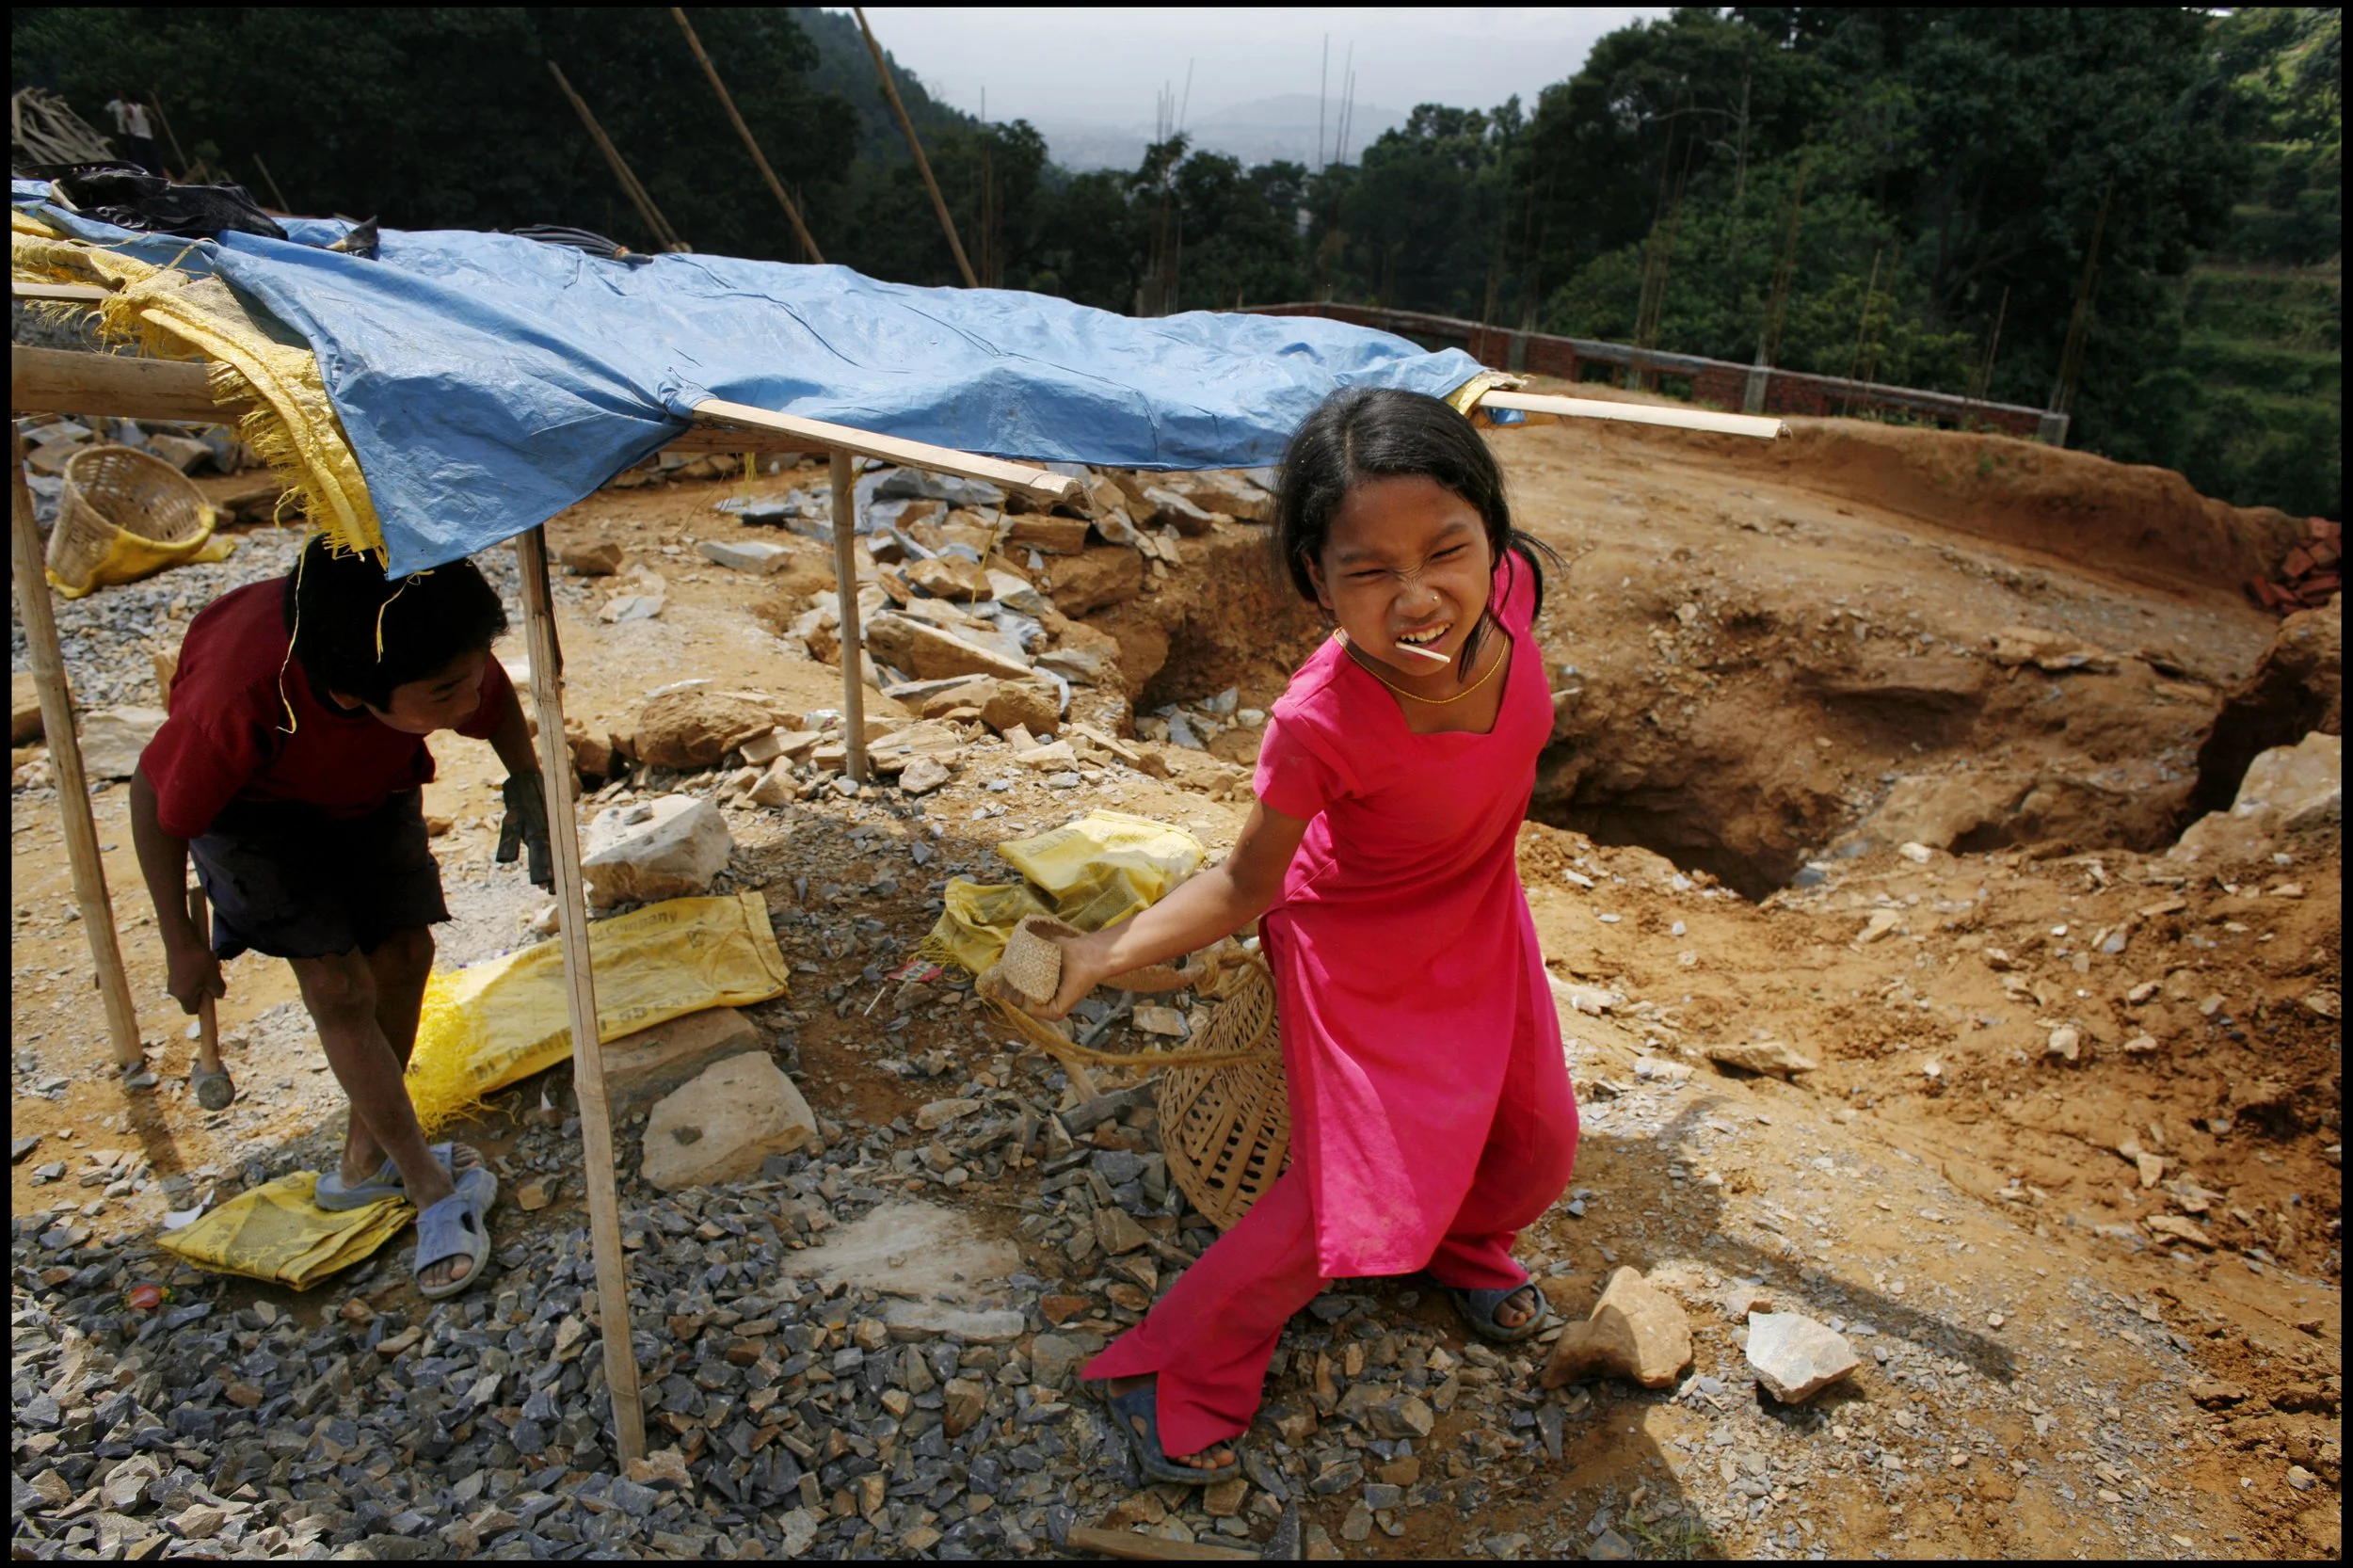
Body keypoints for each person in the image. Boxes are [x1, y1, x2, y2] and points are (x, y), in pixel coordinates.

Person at [1024, 387, 1581, 1483]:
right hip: (1361, 945)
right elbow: (1244, 879)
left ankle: (1462, 1246)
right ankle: (1178, 1369)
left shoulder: (1511, 595)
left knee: (1536, 1139)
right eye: (1369, 571)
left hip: (1481, 907)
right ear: (1317, 581)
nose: (1417, 597)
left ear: (1491, 534)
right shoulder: (1318, 721)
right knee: (1353, 1198)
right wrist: (1102, 952)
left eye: (1446, 551)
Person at [129, 535, 552, 1300]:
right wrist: (179, 941)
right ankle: (427, 1187)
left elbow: (487, 696)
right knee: (337, 987)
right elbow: (156, 797)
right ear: (354, 694)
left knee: (405, 955)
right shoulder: (239, 695)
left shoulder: (420, 635)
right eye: (446, 695)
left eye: (474, 677)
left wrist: (526, 777)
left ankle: (365, 1163)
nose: (469, 705)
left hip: (367, 782)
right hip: (252, 811)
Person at [104, 90, 161, 175]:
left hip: (137, 137)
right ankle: (159, 175)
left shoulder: (128, 108)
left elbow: (125, 121)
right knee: (153, 160)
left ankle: (142, 176)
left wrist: (129, 132)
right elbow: (156, 121)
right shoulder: (144, 108)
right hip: (148, 137)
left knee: (138, 161)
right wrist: (154, 133)